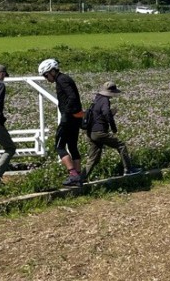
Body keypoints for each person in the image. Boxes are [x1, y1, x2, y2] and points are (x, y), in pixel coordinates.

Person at [38, 58, 84, 186]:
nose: (46, 78)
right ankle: (78, 176)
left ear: (52, 71)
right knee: (73, 146)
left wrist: (66, 113)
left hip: (68, 118)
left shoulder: (62, 80)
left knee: (59, 146)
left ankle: (73, 174)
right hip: (75, 117)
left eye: (46, 75)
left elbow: (72, 97)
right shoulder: (64, 79)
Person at [81, 82, 141, 180]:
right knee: (121, 145)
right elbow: (106, 113)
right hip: (99, 132)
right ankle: (128, 169)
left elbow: (98, 113)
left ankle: (80, 179)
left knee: (93, 159)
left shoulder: (97, 99)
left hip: (91, 132)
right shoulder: (105, 100)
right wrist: (113, 127)